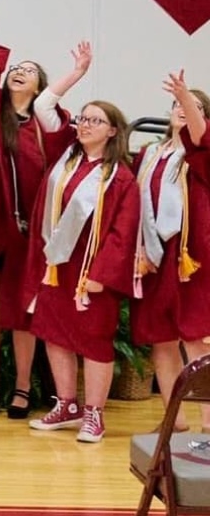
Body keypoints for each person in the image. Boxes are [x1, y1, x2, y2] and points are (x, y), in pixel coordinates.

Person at [0, 0, 82, 418]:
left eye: (29, 72)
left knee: (25, 310)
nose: (19, 73)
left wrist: (72, 75)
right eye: (17, 70)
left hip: (33, 232)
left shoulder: (47, 126)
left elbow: (54, 110)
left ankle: (23, 386)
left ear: (39, 86)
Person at [24, 98, 139, 443]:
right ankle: (68, 405)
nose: (86, 125)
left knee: (94, 342)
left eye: (97, 120)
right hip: (57, 268)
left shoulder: (119, 177)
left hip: (91, 272)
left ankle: (94, 413)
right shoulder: (64, 165)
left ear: (113, 131)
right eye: (83, 118)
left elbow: (124, 231)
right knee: (55, 336)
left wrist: (103, 274)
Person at [132, 72, 210, 432]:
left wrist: (186, 95)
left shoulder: (200, 155)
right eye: (177, 104)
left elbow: (198, 138)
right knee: (161, 339)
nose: (181, 108)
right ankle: (174, 422)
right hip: (154, 255)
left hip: (191, 256)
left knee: (197, 338)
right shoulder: (151, 153)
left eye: (191, 106)